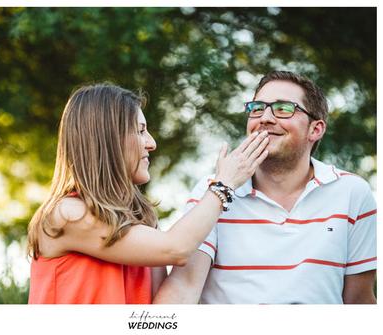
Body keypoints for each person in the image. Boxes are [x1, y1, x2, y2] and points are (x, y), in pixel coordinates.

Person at [27, 83, 269, 304]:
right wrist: (224, 184)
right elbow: (176, 248)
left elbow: (158, 306)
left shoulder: (141, 217)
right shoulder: (67, 215)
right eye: (140, 131)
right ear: (108, 138)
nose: (151, 143)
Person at [154, 71, 377, 304]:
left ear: (316, 129)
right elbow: (183, 288)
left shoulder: (352, 192)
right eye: (257, 108)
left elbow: (358, 301)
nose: (265, 118)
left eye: (283, 108)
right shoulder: (213, 190)